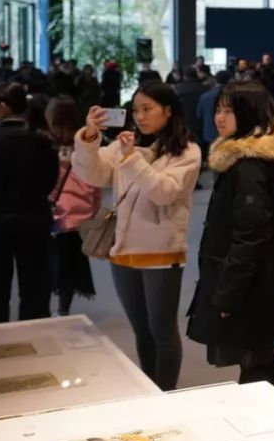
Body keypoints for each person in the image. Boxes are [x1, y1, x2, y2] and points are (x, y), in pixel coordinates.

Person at [73, 82, 201, 391]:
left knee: (162, 329)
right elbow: (92, 174)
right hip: (123, 251)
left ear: (167, 111)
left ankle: (166, 393)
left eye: (147, 109)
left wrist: (132, 159)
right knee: (142, 330)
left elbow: (163, 192)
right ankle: (150, 389)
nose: (140, 116)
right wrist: (89, 137)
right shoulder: (125, 144)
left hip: (162, 252)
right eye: (135, 110)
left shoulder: (187, 150)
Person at [187, 82, 274, 385]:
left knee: (255, 360)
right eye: (218, 110)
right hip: (248, 280)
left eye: (229, 110)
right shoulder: (240, 160)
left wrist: (227, 294)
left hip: (250, 284)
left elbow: (251, 236)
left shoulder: (249, 166)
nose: (219, 118)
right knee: (253, 357)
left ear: (249, 113)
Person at [0, 83, 59, 323]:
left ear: (2, 106)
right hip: (34, 219)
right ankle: (33, 337)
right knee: (34, 290)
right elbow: (50, 180)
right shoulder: (42, 141)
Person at [46, 97, 101, 316]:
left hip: (56, 212)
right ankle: (63, 309)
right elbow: (96, 182)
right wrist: (93, 211)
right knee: (70, 266)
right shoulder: (86, 145)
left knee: (51, 263)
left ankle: (46, 307)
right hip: (80, 214)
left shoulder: (47, 145)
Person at [197, 70, 231, 158]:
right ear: (229, 80)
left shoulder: (205, 96)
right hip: (229, 133)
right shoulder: (233, 96)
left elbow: (199, 115)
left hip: (210, 133)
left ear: (215, 80)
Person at [174, 66, 208, 144]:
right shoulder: (205, 88)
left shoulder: (179, 89)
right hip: (202, 122)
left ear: (184, 76)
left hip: (185, 122)